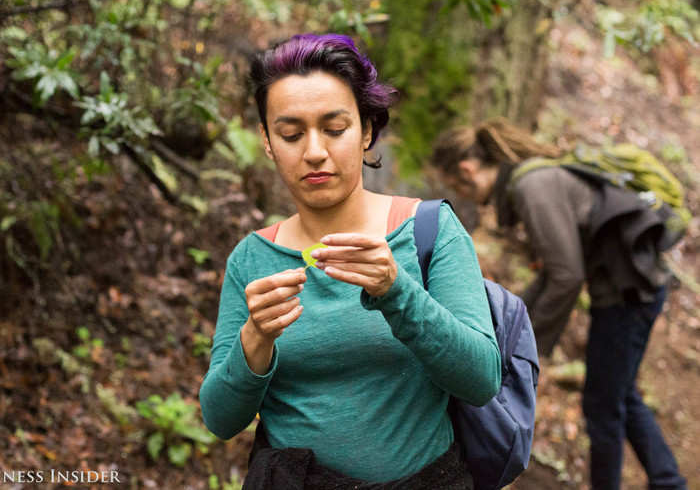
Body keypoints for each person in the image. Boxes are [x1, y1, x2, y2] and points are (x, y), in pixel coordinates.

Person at [199, 34, 501, 489]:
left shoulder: (429, 231)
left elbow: (481, 378)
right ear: (266, 140)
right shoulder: (253, 258)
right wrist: (255, 340)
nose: (314, 151)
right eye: (291, 134)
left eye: (335, 129)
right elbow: (220, 419)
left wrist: (397, 291)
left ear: (366, 131)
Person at [431, 118, 687, 490]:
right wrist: (514, 325)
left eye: (457, 187)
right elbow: (554, 274)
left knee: (603, 406)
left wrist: (531, 349)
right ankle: (668, 480)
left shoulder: (532, 186)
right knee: (619, 395)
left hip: (627, 296)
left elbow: (566, 275)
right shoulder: (534, 180)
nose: (467, 197)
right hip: (632, 289)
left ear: (467, 171)